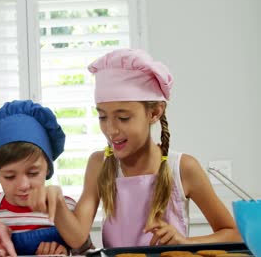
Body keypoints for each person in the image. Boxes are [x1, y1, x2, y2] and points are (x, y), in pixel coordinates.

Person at [28, 49, 242, 247]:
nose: (111, 130)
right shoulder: (99, 164)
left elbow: (233, 233)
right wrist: (57, 204)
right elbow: (78, 238)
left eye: (123, 117)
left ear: (155, 113)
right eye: (102, 116)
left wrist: (185, 242)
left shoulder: (183, 168)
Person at [0, 100, 93, 256]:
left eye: (33, 173)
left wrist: (66, 253)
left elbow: (87, 251)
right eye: (10, 176)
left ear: (47, 167)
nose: (23, 185)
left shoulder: (65, 206)